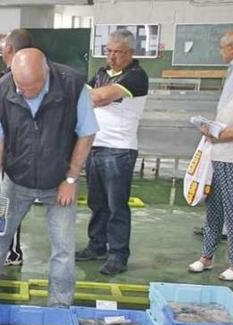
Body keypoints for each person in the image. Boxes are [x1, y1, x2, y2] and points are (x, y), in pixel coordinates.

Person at [0, 49, 98, 307]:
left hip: (58, 183)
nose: (25, 93)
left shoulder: (73, 85)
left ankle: (59, 308)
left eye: (33, 88)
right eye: (20, 87)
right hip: (16, 181)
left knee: (64, 250)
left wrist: (71, 179)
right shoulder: (0, 91)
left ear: (47, 73)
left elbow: (87, 134)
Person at [77, 29, 149, 275]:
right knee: (97, 203)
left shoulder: (136, 77)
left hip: (120, 150)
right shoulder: (101, 73)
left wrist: (90, 94)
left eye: (117, 52)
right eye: (108, 51)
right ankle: (97, 245)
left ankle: (118, 254)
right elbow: (83, 96)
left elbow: (97, 97)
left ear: (130, 53)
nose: (112, 56)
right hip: (95, 146)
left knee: (117, 205)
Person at [190, 53, 233, 281]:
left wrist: (214, 133)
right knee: (213, 210)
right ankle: (207, 256)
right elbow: (224, 127)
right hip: (218, 159)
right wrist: (209, 129)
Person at [0, 29, 34, 267]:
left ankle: (13, 250)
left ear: (8, 49)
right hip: (8, 148)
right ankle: (5, 244)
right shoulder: (14, 76)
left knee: (9, 201)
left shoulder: (17, 79)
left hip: (12, 151)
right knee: (3, 200)